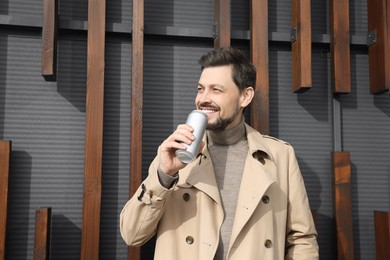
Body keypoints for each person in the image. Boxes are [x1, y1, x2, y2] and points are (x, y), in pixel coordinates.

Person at [120, 47, 319, 260]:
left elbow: (302, 239)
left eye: (216, 90)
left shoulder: (279, 156)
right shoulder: (175, 152)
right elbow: (132, 235)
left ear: (245, 96)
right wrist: (164, 176)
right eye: (200, 89)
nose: (203, 99)